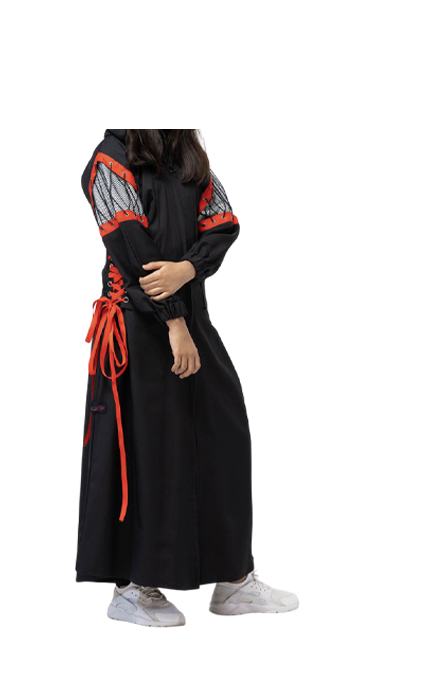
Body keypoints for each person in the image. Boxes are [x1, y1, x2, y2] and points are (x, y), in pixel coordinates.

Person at [76, 129, 298, 627]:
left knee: (223, 435)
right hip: (137, 325)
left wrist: (188, 269)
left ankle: (233, 579)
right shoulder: (110, 160)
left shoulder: (187, 156)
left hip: (192, 319)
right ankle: (133, 587)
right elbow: (132, 248)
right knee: (148, 451)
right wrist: (174, 321)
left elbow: (223, 223)